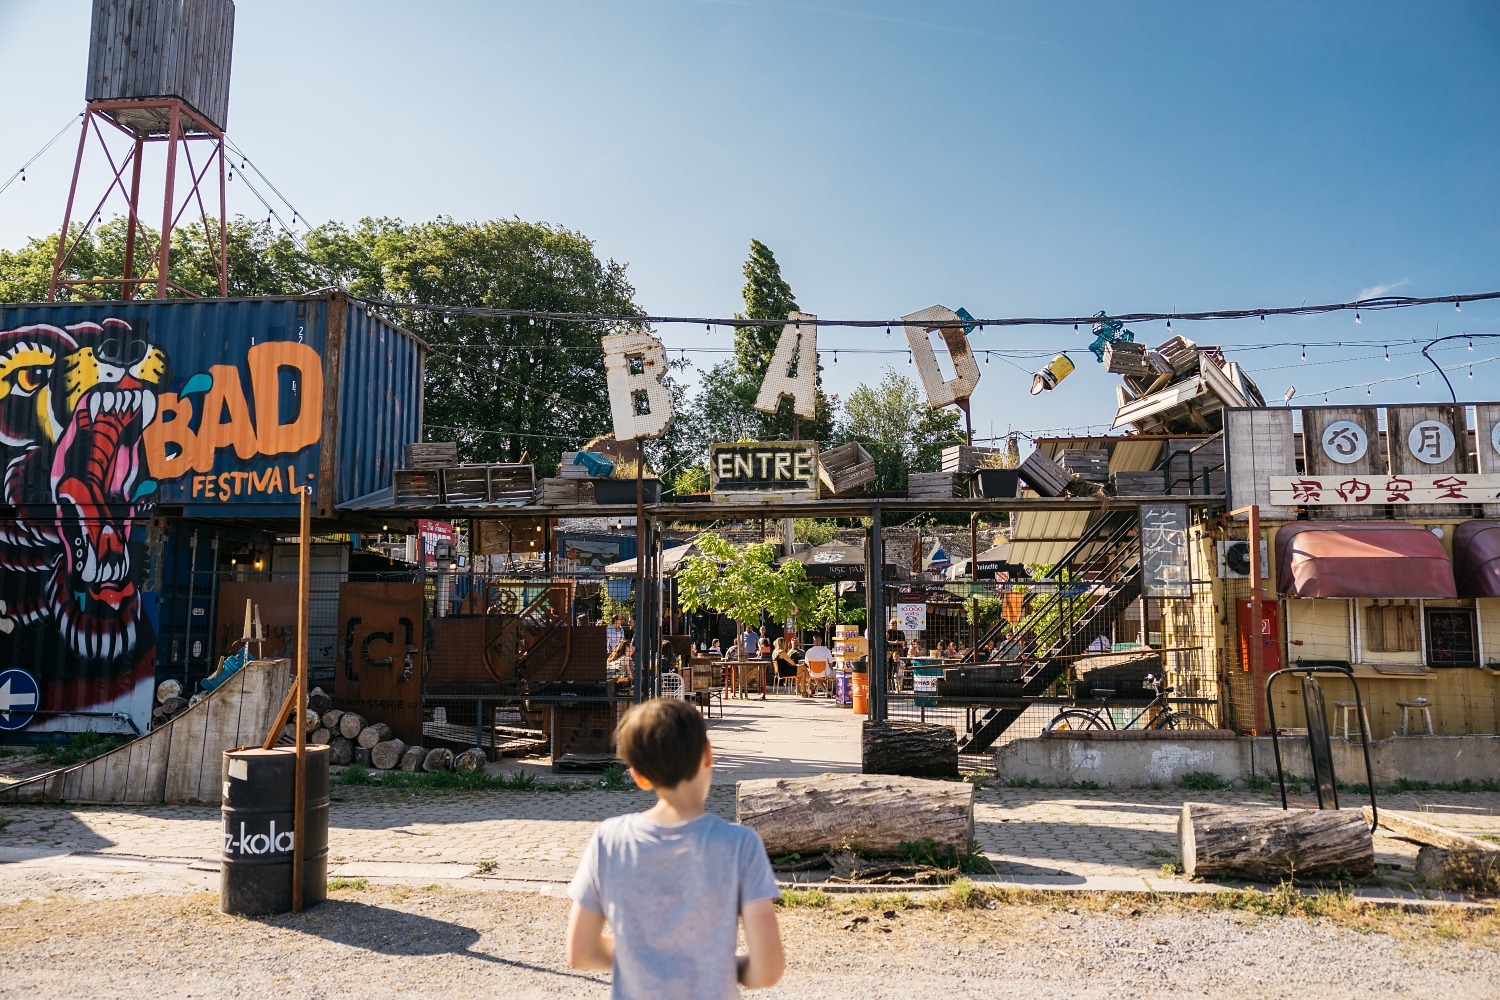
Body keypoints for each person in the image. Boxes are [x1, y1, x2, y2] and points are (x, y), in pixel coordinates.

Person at [566, 700, 784, 997]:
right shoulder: (741, 845)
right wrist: (709, 964)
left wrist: (646, 958)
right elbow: (767, 969)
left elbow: (581, 951)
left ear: (639, 776)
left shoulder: (609, 840)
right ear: (708, 755)